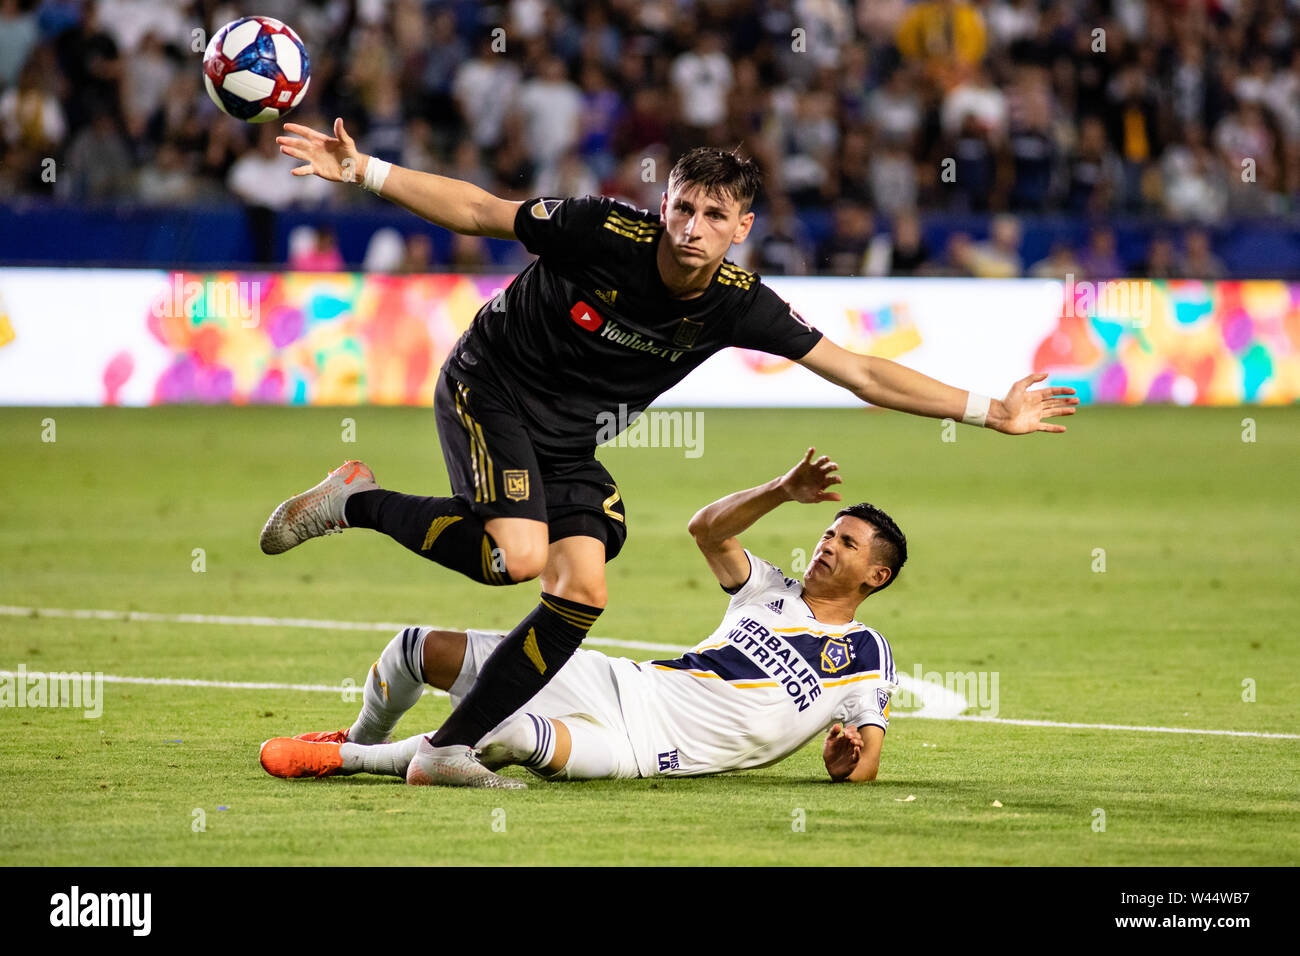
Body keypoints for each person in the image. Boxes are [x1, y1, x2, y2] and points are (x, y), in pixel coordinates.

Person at [259, 118, 1077, 789]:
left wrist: (989, 411)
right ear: (663, 204)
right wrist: (364, 170)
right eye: (683, 208)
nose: (692, 229)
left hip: (570, 438)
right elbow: (480, 210)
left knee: (582, 588)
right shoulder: (598, 231)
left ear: (741, 229)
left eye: (715, 218)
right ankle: (351, 502)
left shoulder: (738, 303)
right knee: (516, 557)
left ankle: (447, 749)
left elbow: (859, 370)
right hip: (492, 385)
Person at [260, 450, 900, 785]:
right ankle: (361, 740)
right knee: (413, 650)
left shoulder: (866, 652)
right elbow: (706, 528)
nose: (826, 545)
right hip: (616, 682)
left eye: (847, 544)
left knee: (509, 736)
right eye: (828, 533)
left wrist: (845, 762)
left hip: (642, 751)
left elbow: (866, 761)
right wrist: (781, 492)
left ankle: (350, 764)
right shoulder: (767, 589)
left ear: (877, 576)